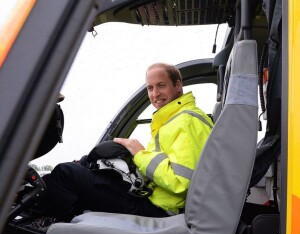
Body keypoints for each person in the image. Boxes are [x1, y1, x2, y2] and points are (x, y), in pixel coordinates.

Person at [41, 63, 213, 220]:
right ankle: (36, 194)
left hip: (160, 210)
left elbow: (181, 182)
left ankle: (42, 226)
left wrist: (139, 153)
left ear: (177, 86)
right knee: (86, 163)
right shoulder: (173, 119)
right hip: (151, 197)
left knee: (67, 173)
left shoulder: (187, 121)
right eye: (150, 88)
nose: (155, 94)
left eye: (161, 85)